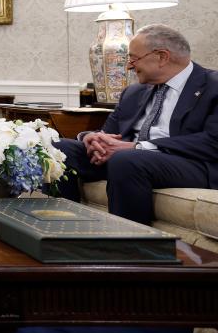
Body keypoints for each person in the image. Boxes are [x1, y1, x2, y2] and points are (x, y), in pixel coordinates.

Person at [54, 24, 218, 225]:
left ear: (162, 57)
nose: (129, 66)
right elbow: (109, 134)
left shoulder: (212, 85)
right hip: (128, 160)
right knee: (59, 149)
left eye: (133, 58)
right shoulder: (134, 92)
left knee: (126, 160)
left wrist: (138, 147)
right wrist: (91, 138)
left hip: (190, 163)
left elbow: (212, 141)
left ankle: (129, 248)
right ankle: (63, 229)